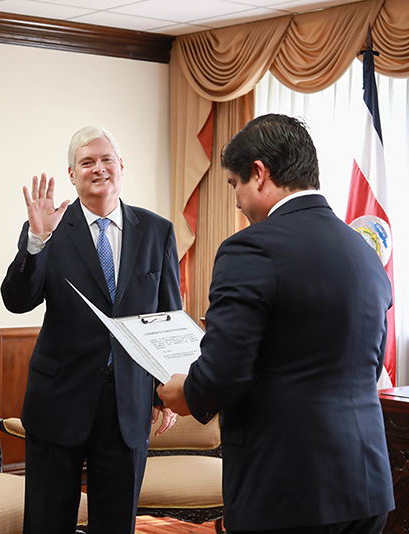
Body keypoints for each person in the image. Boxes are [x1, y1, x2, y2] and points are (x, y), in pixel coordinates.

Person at [157, 114, 394, 534]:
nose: (236, 202)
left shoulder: (250, 248)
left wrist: (184, 393)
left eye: (235, 185)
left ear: (260, 174)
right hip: (366, 484)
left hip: (287, 490)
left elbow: (221, 375)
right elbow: (368, 365)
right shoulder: (363, 252)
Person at [1, 126, 181, 534]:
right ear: (71, 175)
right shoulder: (48, 229)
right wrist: (35, 241)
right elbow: (17, 300)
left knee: (116, 525)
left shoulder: (157, 231)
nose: (98, 169)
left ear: (121, 166)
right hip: (59, 401)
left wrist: (166, 388)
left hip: (128, 404)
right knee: (48, 522)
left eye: (105, 160)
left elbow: (168, 315)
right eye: (86, 163)